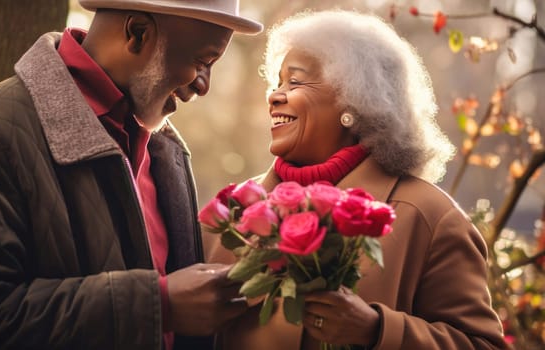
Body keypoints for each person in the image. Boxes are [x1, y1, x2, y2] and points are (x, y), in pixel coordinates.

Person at [0, 1, 262, 349]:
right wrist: (158, 305)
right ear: (138, 33)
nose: (204, 86)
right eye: (203, 62)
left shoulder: (165, 149)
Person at [206, 9, 509, 350]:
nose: (274, 95)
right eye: (277, 82)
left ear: (355, 100)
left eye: (296, 81)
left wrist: (377, 330)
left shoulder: (431, 218)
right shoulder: (234, 213)